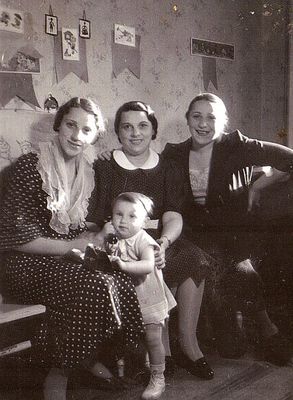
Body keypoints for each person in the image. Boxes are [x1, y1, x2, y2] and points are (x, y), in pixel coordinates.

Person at [0, 97, 144, 400]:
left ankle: (86, 358)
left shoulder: (86, 173)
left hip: (58, 262)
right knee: (91, 284)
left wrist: (98, 234)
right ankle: (59, 374)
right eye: (71, 125)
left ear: (94, 136)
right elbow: (18, 238)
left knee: (118, 276)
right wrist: (72, 247)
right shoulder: (30, 167)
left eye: (87, 130)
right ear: (58, 125)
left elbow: (75, 227)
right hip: (20, 263)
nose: (77, 135)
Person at [88, 100, 217, 380]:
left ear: (153, 131)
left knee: (194, 258)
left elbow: (173, 214)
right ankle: (162, 350)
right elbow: (99, 217)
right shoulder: (106, 167)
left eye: (143, 126)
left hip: (160, 239)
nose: (135, 133)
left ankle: (189, 343)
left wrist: (165, 243)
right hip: (122, 241)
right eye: (127, 127)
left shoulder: (168, 168)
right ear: (118, 133)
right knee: (147, 267)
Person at [161, 92, 293, 365]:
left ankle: (267, 329)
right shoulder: (174, 153)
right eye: (196, 116)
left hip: (231, 240)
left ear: (222, 122)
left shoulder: (238, 146)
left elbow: (289, 159)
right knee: (229, 348)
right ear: (187, 119)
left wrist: (259, 184)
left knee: (244, 278)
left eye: (212, 117)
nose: (203, 124)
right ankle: (213, 327)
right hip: (194, 239)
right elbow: (148, 174)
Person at [108, 191, 177, 399]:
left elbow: (147, 265)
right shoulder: (114, 238)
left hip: (148, 297)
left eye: (132, 216)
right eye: (118, 214)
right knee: (134, 336)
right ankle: (143, 366)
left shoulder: (143, 240)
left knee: (153, 338)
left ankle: (158, 378)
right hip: (129, 298)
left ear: (144, 221)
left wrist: (123, 264)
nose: (123, 221)